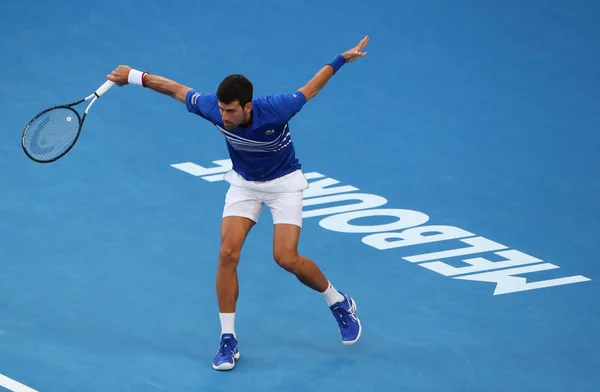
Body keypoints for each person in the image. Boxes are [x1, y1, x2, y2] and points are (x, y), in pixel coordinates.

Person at [107, 35, 370, 371]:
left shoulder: (277, 109)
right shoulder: (213, 110)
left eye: (230, 110)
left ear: (248, 106)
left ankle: (338, 302)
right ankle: (228, 339)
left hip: (283, 185)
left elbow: (312, 88)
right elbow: (175, 89)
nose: (224, 116)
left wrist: (341, 59)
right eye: (221, 108)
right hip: (244, 185)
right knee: (227, 253)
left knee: (285, 258)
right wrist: (134, 76)